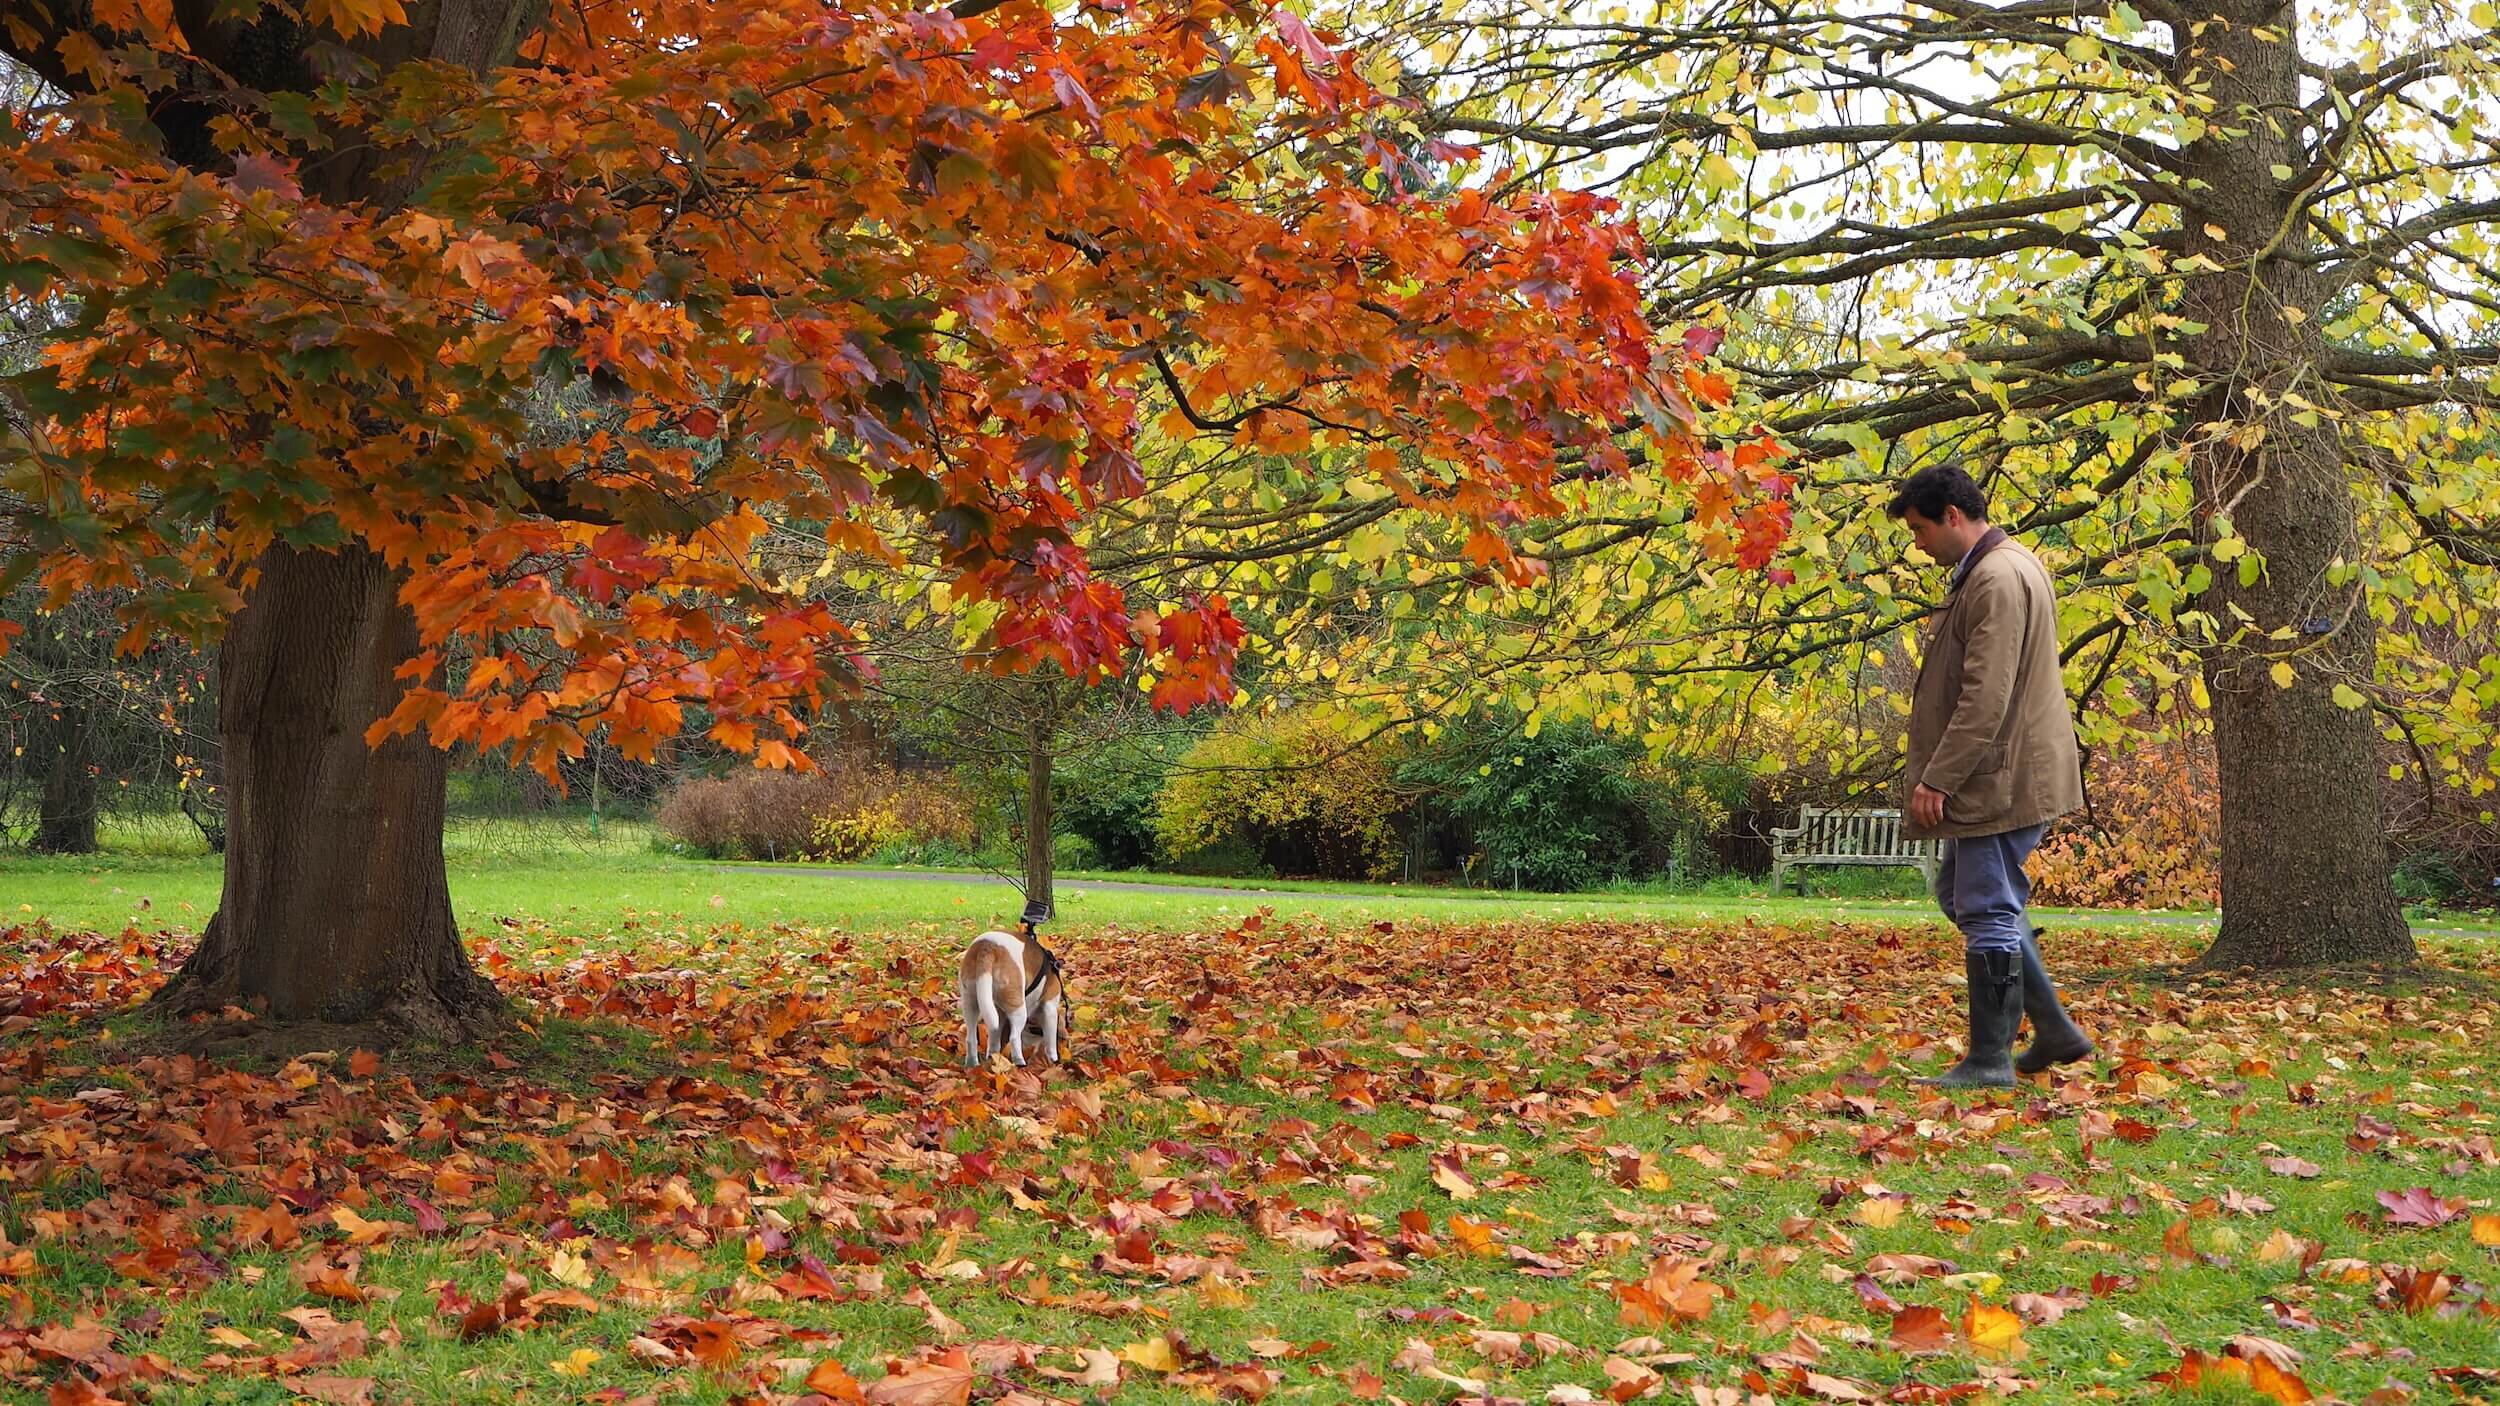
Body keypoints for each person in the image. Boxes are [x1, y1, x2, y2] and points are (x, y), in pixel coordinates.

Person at [1887, 464, 2094, 1088]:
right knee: (1962, 895)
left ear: (1953, 515)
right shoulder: (2005, 566)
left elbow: (1986, 696)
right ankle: (2054, 1030)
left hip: (1998, 774)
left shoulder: (1997, 578)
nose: (1919, 544)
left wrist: (1939, 779)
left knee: (1984, 908)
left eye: (1921, 529)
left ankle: (1988, 1060)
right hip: (2007, 766)